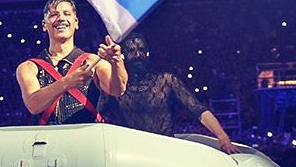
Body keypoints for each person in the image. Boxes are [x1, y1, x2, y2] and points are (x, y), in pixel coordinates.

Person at [102, 33, 239, 154]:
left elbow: (198, 109)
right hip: (132, 153)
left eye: (141, 49)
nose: (138, 55)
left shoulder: (167, 81)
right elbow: (95, 111)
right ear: (123, 55)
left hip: (166, 151)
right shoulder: (114, 86)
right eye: (132, 51)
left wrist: (223, 137)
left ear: (148, 52)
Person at [16, 0, 128, 125]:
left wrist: (117, 62)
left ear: (76, 23)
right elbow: (33, 105)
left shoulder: (93, 61)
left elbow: (118, 90)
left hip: (86, 139)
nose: (61, 18)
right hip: (48, 141)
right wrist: (67, 82)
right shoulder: (29, 67)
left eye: (66, 14)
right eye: (53, 15)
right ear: (44, 25)